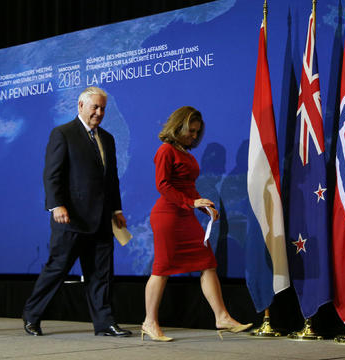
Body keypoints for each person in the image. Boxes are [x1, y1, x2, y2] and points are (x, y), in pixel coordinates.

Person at [22, 86, 131, 337]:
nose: (99, 112)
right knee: (57, 269)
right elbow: (52, 174)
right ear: (80, 105)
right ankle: (32, 316)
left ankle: (105, 323)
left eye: (103, 108)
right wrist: (56, 204)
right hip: (71, 218)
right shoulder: (63, 134)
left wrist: (116, 209)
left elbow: (111, 179)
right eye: (95, 107)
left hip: (103, 218)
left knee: (101, 274)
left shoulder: (108, 138)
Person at [142, 106, 251, 342]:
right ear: (178, 126)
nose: (194, 136)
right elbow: (163, 185)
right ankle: (149, 322)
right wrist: (191, 202)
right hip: (167, 215)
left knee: (207, 262)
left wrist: (204, 208)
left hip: (185, 214)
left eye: (196, 132)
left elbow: (189, 189)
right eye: (190, 130)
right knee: (162, 268)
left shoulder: (187, 155)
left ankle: (221, 317)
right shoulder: (165, 150)